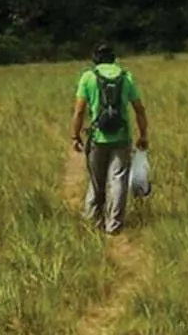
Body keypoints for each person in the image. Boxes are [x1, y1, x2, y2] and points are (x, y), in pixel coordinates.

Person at [69, 44, 148, 234]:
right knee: (119, 179)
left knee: (97, 181)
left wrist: (75, 135)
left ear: (95, 59)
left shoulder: (88, 77)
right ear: (114, 58)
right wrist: (143, 134)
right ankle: (114, 225)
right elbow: (139, 108)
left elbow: (79, 111)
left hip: (97, 137)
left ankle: (92, 220)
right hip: (121, 137)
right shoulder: (126, 77)